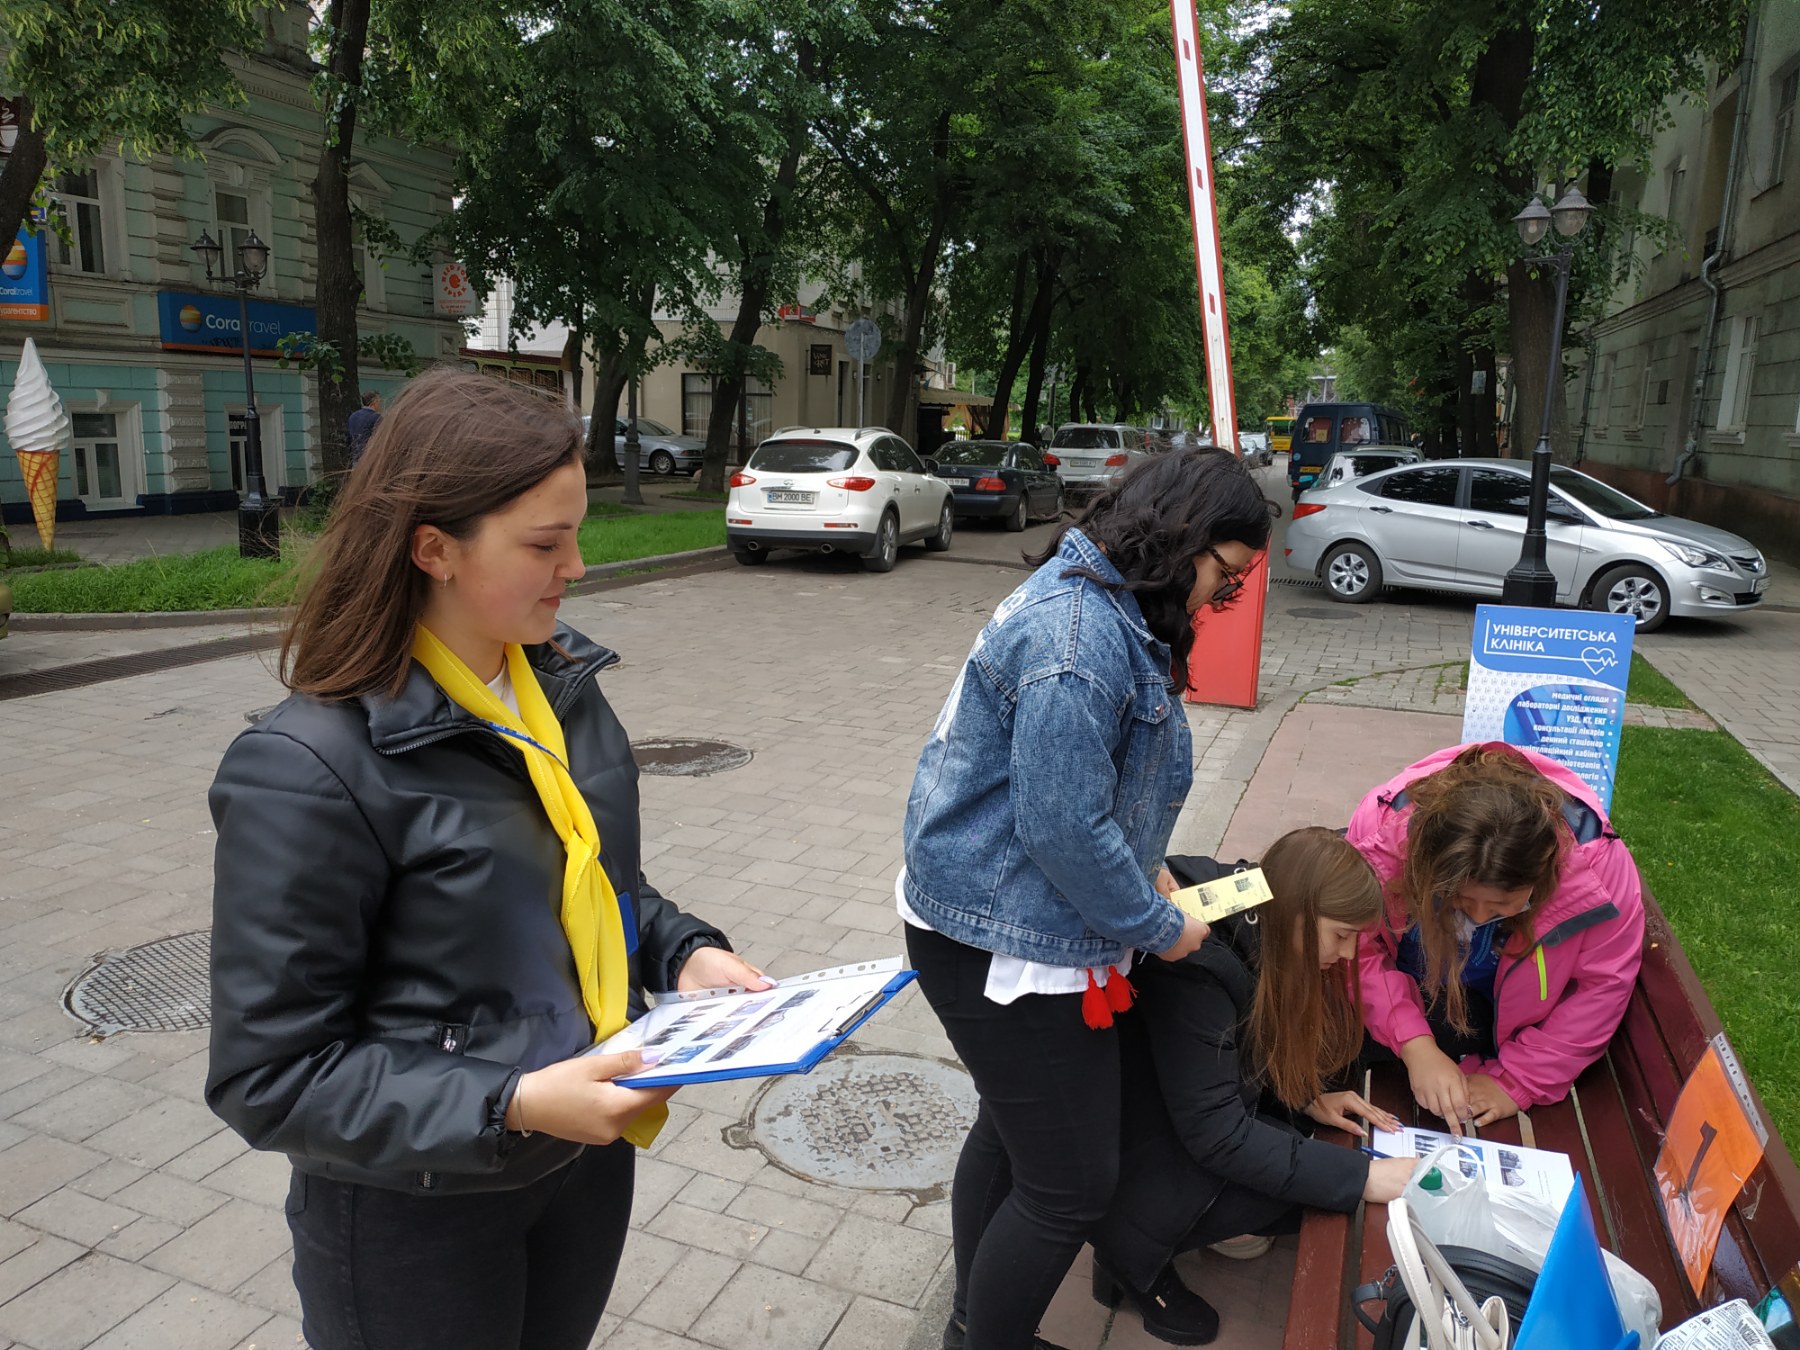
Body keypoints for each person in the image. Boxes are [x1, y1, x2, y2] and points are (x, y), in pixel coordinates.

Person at [205, 369, 767, 1350]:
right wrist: (509, 1103)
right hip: (415, 1215)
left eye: (576, 534)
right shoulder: (307, 768)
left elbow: (588, 884)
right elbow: (271, 1074)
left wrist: (681, 951)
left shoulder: (560, 685)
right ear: (435, 549)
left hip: (581, 1165)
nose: (577, 567)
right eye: (545, 545)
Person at [900, 449, 1276, 1350]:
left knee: (1013, 1135)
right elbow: (1063, 826)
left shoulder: (1103, 609)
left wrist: (1144, 870)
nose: (1218, 598)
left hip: (999, 917)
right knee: (1067, 1186)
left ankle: (974, 1326)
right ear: (1181, 537)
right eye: (1223, 575)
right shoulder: (1079, 637)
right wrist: (1158, 924)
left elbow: (1083, 797)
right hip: (1005, 938)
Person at [1088, 829, 1418, 1345]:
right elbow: (1217, 1133)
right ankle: (1130, 1257)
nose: (1350, 954)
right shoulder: (1196, 967)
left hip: (1165, 1108)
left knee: (1302, 1160)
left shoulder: (1252, 898)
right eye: (1341, 935)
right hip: (1132, 1143)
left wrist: (1303, 1098)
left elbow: (1236, 1046)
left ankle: (1160, 1228)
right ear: (1297, 912)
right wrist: (1363, 1177)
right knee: (1303, 1196)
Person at [1349, 742, 1645, 1134]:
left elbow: (1602, 988)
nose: (1477, 916)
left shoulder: (1597, 871)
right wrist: (1415, 1044)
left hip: (1502, 1022)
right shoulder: (1382, 836)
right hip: (1414, 1000)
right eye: (1459, 897)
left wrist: (1516, 1080)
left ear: (1544, 874)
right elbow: (1357, 947)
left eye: (1502, 904)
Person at [347, 389, 381, 464]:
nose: (380, 405)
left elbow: (349, 438)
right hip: (371, 459)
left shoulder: (353, 416)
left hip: (356, 457)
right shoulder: (376, 417)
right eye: (379, 401)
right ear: (374, 402)